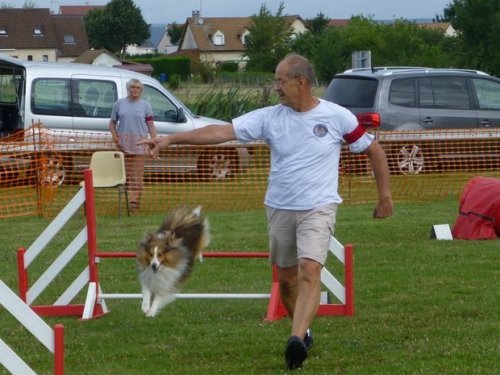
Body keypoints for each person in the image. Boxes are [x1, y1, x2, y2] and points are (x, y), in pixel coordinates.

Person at [139, 53, 393, 370]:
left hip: (319, 207)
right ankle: (305, 332)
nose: (275, 87)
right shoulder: (270, 117)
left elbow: (374, 150)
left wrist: (384, 196)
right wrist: (171, 140)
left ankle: (296, 340)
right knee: (286, 280)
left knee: (310, 272)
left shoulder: (337, 117)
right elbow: (221, 133)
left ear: (300, 83)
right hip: (279, 208)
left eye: (280, 81)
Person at [109, 79, 157, 211]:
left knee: (136, 176)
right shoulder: (119, 104)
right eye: (133, 87)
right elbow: (112, 123)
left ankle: (134, 202)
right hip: (122, 145)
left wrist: (154, 140)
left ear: (141, 90)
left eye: (137, 87)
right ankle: (125, 200)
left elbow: (150, 125)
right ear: (128, 89)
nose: (135, 89)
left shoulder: (146, 106)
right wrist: (115, 137)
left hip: (140, 145)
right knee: (124, 175)